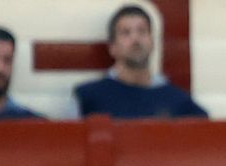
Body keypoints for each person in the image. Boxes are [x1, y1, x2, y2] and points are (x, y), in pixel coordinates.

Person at [75, 5, 208, 118]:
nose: (135, 39)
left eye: (142, 31)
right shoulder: (87, 98)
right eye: (125, 33)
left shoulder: (178, 102)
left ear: (152, 42)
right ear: (112, 47)